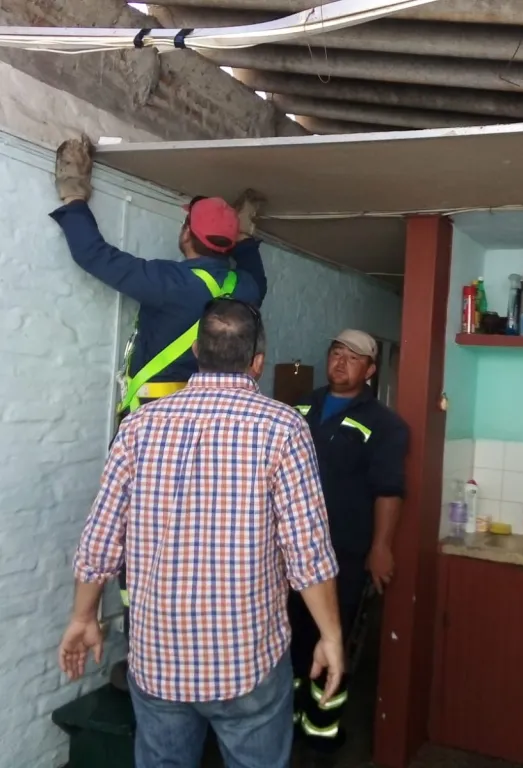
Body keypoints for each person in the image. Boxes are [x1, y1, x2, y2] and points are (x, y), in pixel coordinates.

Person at [57, 299, 344, 768]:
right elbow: (307, 552)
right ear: (257, 362)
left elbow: (101, 537)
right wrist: (331, 635)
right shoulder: (283, 428)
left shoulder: (140, 426)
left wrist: (82, 615)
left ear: (196, 351)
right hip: (247, 660)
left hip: (158, 659)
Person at [51, 136, 269, 669]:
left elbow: (94, 255)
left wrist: (74, 192)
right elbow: (253, 270)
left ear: (186, 236)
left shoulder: (170, 282)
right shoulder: (246, 289)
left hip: (154, 426)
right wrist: (244, 232)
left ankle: (144, 654)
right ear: (228, 244)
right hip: (215, 428)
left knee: (135, 528)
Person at [291, 330, 409, 755]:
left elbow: (388, 490)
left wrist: (381, 547)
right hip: (290, 551)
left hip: (343, 553)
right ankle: (288, 719)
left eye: (354, 357)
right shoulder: (299, 408)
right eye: (337, 353)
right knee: (290, 637)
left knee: (332, 635)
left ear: (371, 370)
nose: (341, 362)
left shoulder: (386, 425)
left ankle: (320, 732)